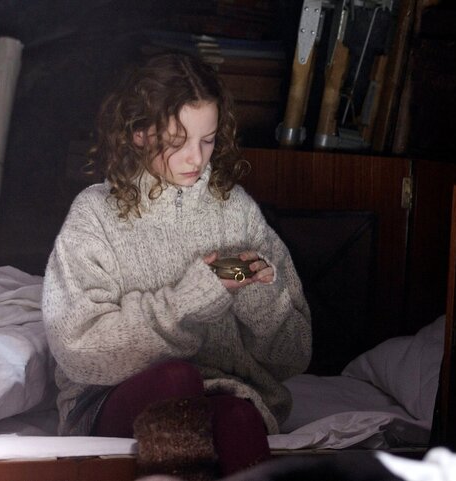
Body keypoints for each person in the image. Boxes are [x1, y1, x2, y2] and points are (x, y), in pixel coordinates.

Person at [41, 51, 312, 479]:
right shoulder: (95, 214)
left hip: (221, 389)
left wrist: (258, 296)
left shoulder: (237, 210)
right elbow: (78, 350)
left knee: (240, 416)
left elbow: (293, 358)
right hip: (110, 397)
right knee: (176, 380)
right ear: (139, 134)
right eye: (177, 141)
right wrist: (187, 302)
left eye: (207, 140)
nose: (196, 159)